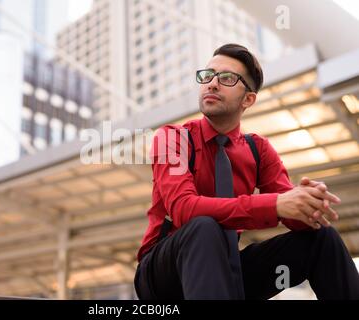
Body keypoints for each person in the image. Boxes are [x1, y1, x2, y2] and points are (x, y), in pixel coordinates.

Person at [134, 43, 359, 300]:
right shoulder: (172, 138)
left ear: (248, 99)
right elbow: (183, 208)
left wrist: (308, 205)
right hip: (164, 276)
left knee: (322, 238)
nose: (212, 83)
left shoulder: (258, 149)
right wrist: (274, 204)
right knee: (203, 228)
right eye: (207, 75)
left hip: (227, 272)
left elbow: (290, 213)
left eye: (227, 78)